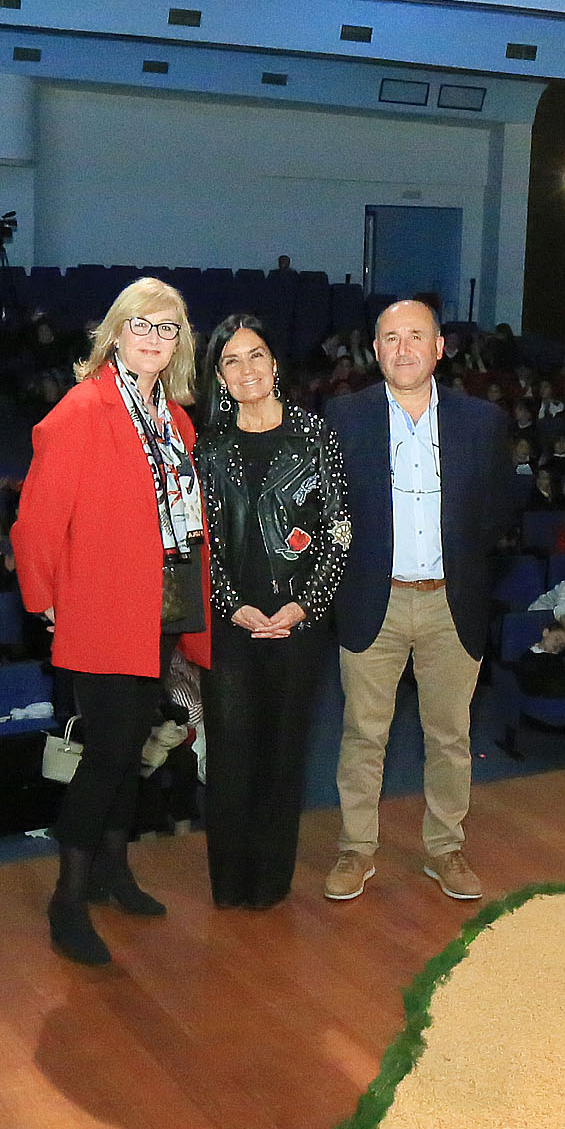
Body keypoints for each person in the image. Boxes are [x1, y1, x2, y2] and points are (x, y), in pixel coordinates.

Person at [12, 276, 214, 966]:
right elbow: (37, 518)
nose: (154, 338)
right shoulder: (81, 409)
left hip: (162, 605)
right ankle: (67, 899)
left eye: (167, 328)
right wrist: (44, 597)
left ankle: (112, 871)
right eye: (142, 325)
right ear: (116, 333)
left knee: (133, 750)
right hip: (103, 609)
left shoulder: (175, 417)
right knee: (106, 755)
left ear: (180, 342)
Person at [323, 297, 515, 903]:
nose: (403, 348)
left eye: (415, 336)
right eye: (390, 337)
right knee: (362, 735)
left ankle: (445, 848)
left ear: (439, 348)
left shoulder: (482, 421)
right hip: (371, 600)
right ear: (375, 350)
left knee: (450, 736)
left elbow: (500, 511)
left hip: (449, 603)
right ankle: (356, 849)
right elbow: (326, 509)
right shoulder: (343, 417)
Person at [193, 315, 349, 909]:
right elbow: (197, 537)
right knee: (231, 754)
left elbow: (339, 528)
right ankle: (230, 882)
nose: (246, 369)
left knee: (284, 754)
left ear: (275, 363)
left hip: (298, 625)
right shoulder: (208, 447)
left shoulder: (316, 435)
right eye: (231, 361)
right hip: (230, 625)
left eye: (255, 355)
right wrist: (231, 605)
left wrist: (305, 604)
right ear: (220, 376)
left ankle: (270, 882)